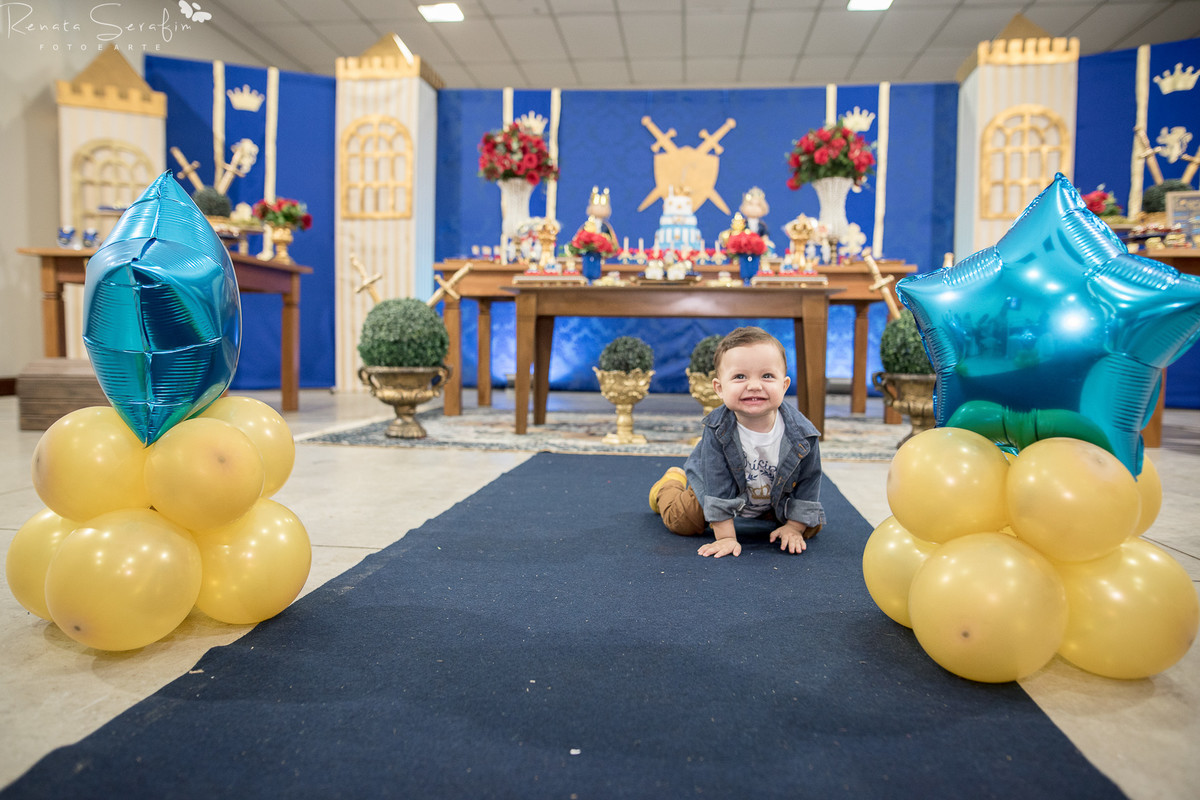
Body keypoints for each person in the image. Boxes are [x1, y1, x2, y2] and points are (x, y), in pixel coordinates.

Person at [648, 326, 825, 558]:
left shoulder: (803, 434)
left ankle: (777, 520)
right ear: (719, 389)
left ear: (784, 385)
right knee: (682, 521)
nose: (754, 385)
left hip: (773, 498)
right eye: (740, 376)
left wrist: (794, 527)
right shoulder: (717, 429)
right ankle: (669, 483)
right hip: (714, 489)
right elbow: (716, 482)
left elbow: (809, 481)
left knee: (811, 525)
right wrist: (727, 538)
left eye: (767, 376)